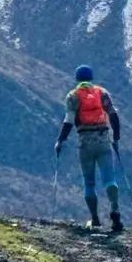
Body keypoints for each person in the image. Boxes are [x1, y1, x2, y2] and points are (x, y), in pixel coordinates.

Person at [55, 65, 123, 232]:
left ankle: (94, 219)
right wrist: (116, 137)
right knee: (109, 179)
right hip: (103, 139)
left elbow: (69, 120)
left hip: (85, 141)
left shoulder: (73, 96)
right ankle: (114, 209)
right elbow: (113, 114)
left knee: (89, 182)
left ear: (77, 78)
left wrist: (60, 141)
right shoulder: (102, 93)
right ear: (91, 77)